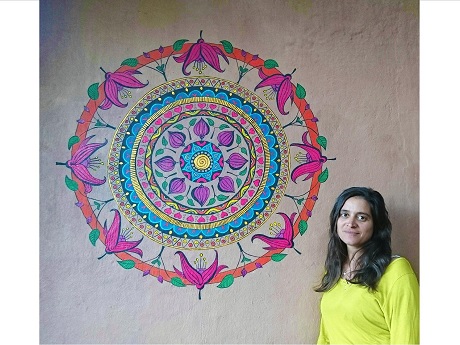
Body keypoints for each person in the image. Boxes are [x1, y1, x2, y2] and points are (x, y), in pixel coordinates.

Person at [314, 186, 419, 344]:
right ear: (336, 220)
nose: (351, 223)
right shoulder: (332, 272)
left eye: (362, 217)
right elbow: (326, 336)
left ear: (376, 225)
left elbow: (407, 338)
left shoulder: (396, 271)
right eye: (345, 215)